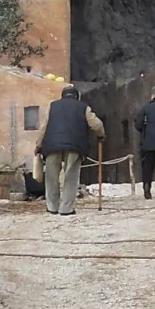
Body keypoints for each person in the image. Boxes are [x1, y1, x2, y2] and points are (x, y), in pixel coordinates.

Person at [36, 84, 105, 216]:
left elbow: (43, 128)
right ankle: (66, 209)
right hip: (75, 145)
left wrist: (38, 145)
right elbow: (97, 124)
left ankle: (52, 207)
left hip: (51, 145)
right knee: (70, 177)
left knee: (51, 177)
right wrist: (101, 135)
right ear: (77, 97)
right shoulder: (84, 107)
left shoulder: (52, 106)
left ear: (62, 96)